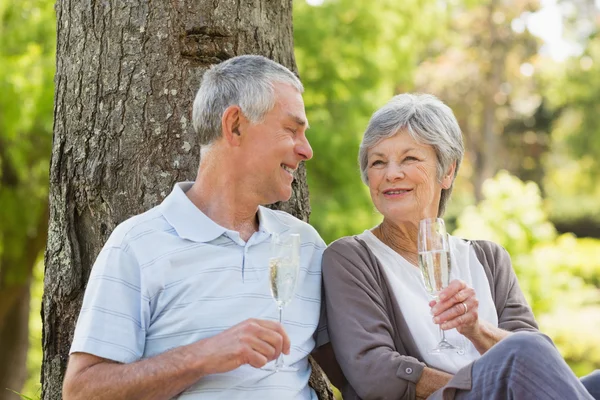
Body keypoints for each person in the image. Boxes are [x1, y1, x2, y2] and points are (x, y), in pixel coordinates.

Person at [62, 55, 331, 400]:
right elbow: (82, 392)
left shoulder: (305, 245)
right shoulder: (137, 245)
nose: (306, 150)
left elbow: (362, 364)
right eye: (292, 130)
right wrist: (203, 356)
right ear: (234, 125)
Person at [322, 93, 600, 399]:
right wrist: (482, 384)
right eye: (377, 162)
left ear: (448, 171)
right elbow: (376, 374)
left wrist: (476, 330)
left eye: (409, 158)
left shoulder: (489, 259)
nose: (391, 174)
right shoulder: (351, 258)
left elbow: (541, 364)